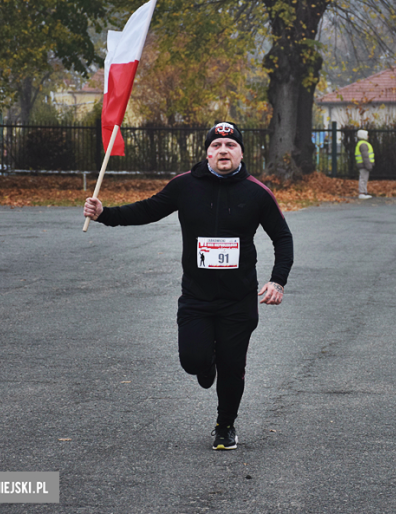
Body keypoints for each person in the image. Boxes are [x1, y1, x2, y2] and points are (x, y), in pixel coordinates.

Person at [83, 122, 293, 450]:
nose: (223, 151)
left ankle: (225, 425)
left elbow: (282, 237)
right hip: (197, 295)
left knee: (232, 367)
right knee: (193, 360)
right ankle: (204, 363)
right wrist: (105, 214)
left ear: (241, 153)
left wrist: (278, 280)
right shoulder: (186, 185)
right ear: (207, 153)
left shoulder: (256, 192)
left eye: (230, 146)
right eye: (216, 146)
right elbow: (148, 210)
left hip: (238, 299)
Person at [355, 129, 374, 199]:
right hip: (364, 165)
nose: (368, 136)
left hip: (363, 164)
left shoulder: (361, 144)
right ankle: (362, 193)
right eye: (367, 135)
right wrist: (368, 165)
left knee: (364, 178)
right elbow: (365, 156)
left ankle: (364, 192)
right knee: (363, 178)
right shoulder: (363, 144)